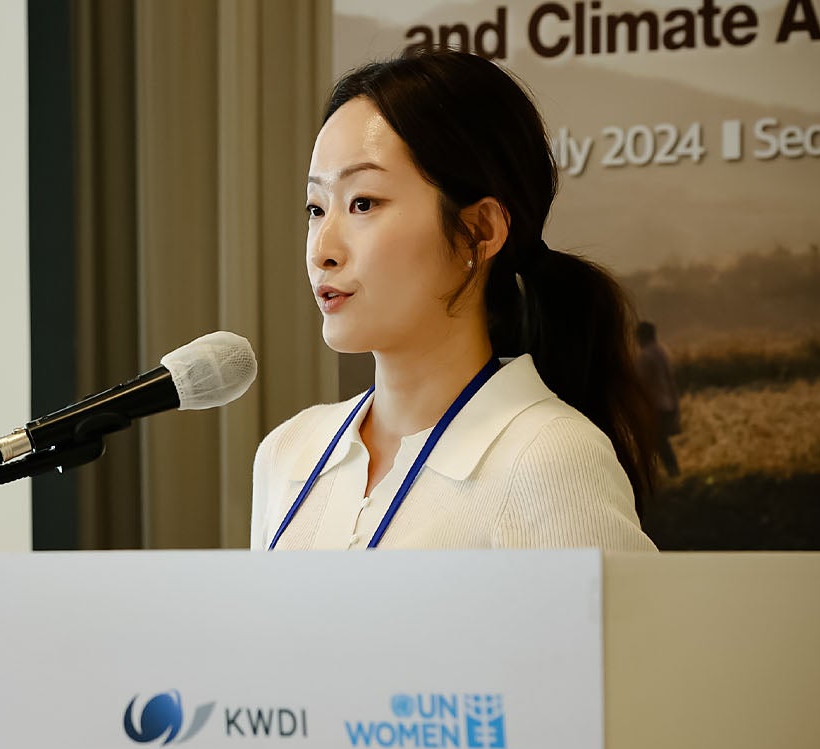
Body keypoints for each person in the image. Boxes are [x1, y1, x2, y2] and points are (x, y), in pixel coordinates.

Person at [250, 48, 658, 552]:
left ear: (479, 230)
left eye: (363, 203)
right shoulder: (289, 452)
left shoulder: (549, 456)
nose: (322, 250)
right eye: (315, 207)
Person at [634, 321, 681, 478]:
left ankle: (658, 474)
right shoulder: (663, 352)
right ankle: (669, 472)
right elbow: (671, 381)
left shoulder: (645, 356)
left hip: (655, 406)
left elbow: (640, 384)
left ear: (641, 337)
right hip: (667, 404)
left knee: (655, 442)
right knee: (658, 441)